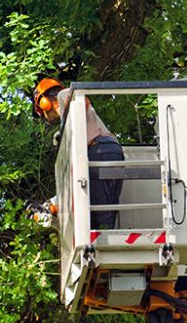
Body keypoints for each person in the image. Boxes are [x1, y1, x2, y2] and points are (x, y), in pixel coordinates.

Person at [33, 77, 124, 229]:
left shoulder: (64, 96)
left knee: (97, 215)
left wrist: (66, 124)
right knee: (107, 208)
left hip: (98, 150)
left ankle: (101, 240)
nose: (45, 118)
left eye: (42, 113)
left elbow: (82, 100)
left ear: (44, 103)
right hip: (112, 150)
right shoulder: (67, 124)